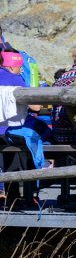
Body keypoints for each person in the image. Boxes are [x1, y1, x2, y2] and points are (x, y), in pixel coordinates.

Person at [0, 51, 51, 179]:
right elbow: (36, 107)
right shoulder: (16, 79)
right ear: (11, 67)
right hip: (8, 130)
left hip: (3, 130)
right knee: (39, 130)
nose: (21, 70)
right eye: (19, 67)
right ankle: (42, 166)